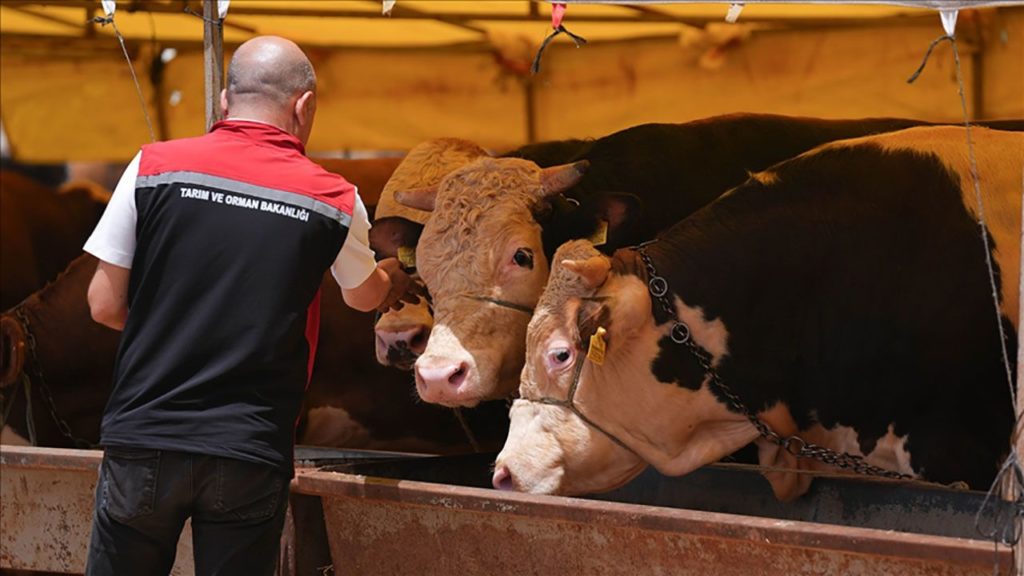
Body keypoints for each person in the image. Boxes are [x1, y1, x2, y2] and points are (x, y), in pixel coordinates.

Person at [83, 36, 417, 575]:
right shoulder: (333, 198)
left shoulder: (153, 166)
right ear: (304, 106)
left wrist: (174, 334)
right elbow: (362, 298)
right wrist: (393, 277)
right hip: (249, 447)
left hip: (145, 437)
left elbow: (102, 304)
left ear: (223, 100)